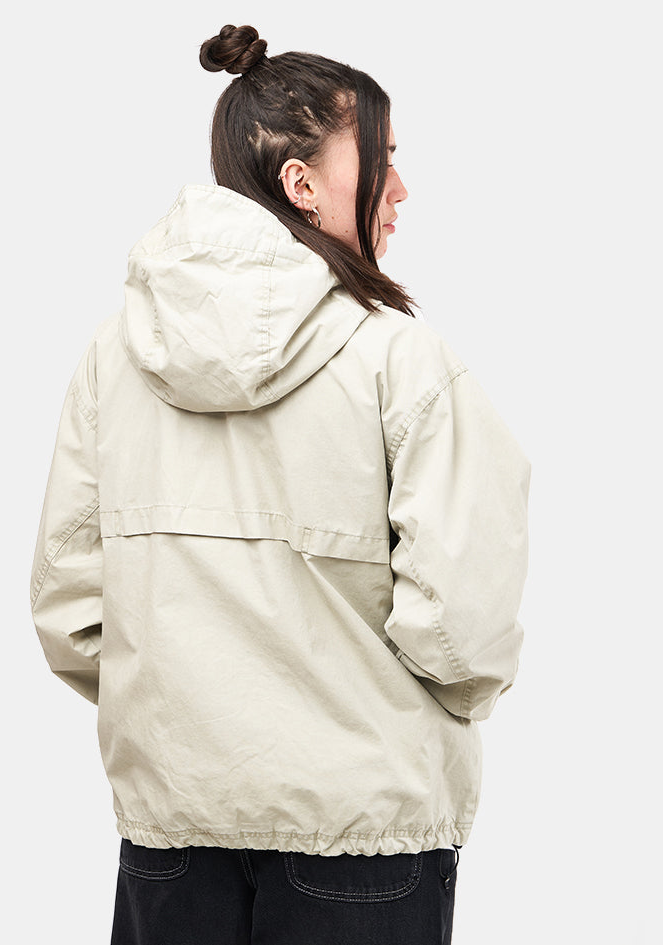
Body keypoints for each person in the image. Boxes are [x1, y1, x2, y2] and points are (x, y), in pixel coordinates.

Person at [30, 23, 530, 945]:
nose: (401, 189)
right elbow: (466, 633)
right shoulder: (399, 359)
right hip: (364, 839)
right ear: (302, 184)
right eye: (383, 158)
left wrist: (189, 708)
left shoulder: (115, 357)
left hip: (173, 835)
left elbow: (70, 612)